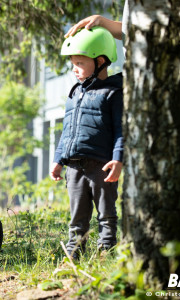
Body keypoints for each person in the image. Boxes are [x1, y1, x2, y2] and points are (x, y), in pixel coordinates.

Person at [50, 27, 123, 259]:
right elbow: (66, 132)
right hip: (74, 167)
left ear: (100, 61)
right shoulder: (73, 94)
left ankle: (106, 253)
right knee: (77, 218)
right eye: (73, 63)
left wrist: (118, 159)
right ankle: (73, 256)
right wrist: (58, 159)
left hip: (102, 165)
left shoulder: (113, 93)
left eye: (80, 63)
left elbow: (122, 130)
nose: (74, 69)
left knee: (106, 214)